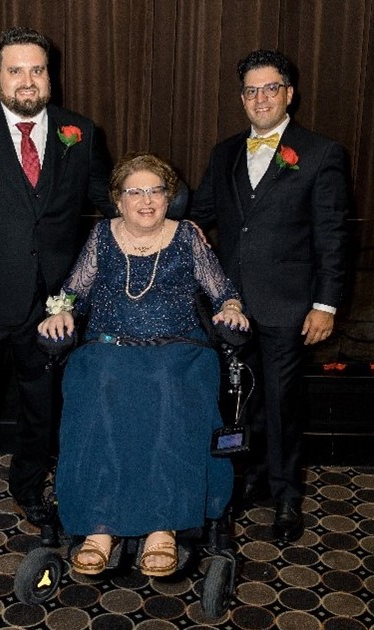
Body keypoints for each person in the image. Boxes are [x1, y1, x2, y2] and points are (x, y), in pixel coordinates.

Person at [0, 26, 117, 568]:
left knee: (42, 410)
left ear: (49, 74)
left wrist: (155, 195)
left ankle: (29, 490)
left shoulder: (79, 130)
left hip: (52, 310)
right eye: (16, 70)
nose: (28, 81)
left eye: (38, 69)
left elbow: (107, 195)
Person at [38, 152, 249, 576]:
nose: (146, 200)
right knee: (97, 379)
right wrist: (61, 310)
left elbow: (222, 291)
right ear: (118, 200)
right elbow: (72, 291)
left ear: (169, 197)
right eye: (135, 191)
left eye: (156, 190)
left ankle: (162, 525)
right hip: (108, 347)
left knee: (168, 382)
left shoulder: (188, 237)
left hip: (178, 349)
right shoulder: (101, 236)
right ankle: (99, 525)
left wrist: (231, 308)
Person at [191, 49, 348, 542]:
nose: (261, 98)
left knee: (282, 403)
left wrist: (325, 304)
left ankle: (286, 498)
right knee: (240, 398)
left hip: (288, 307)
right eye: (251, 91)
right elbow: (199, 216)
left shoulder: (321, 153)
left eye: (270, 88)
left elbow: (332, 236)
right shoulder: (224, 153)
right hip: (231, 307)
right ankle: (252, 478)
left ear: (288, 94)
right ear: (242, 98)